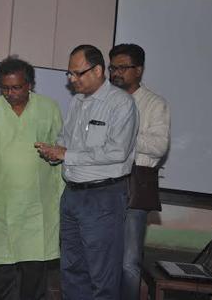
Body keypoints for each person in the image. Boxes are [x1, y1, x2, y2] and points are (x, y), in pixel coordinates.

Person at [36, 45, 138, 299]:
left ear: (98, 70)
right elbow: (66, 140)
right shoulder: (77, 102)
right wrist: (54, 151)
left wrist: (66, 154)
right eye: (69, 73)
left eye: (77, 73)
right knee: (71, 271)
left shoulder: (121, 103)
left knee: (102, 275)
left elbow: (117, 152)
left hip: (103, 197)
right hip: (72, 196)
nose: (72, 79)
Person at [0, 56, 64, 300]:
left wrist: (62, 201)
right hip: (0, 210)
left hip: (38, 209)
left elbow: (62, 155)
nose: (10, 93)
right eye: (5, 88)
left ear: (29, 84)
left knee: (34, 277)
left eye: (16, 87)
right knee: (1, 274)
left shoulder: (49, 108)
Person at [109, 44, 170, 300]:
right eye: (113, 67)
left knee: (128, 262)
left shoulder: (155, 104)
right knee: (102, 260)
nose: (116, 73)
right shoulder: (103, 100)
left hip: (134, 185)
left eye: (123, 68)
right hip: (102, 185)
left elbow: (159, 145)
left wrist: (126, 136)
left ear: (139, 70)